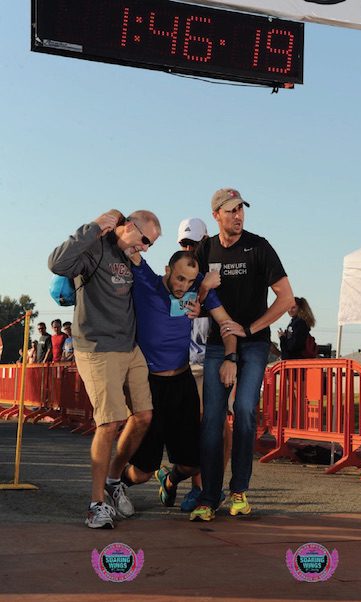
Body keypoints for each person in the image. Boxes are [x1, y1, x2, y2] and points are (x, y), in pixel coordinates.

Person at [48, 209, 160, 529]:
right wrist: (94, 227)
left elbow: (155, 289)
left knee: (143, 416)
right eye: (144, 240)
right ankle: (95, 504)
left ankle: (113, 481)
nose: (146, 247)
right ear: (129, 227)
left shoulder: (130, 257)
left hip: (129, 346)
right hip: (98, 347)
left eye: (151, 244)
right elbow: (57, 263)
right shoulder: (95, 247)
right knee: (109, 423)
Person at [191, 188, 295, 522]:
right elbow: (183, 305)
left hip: (253, 343)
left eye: (241, 210)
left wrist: (249, 329)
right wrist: (205, 287)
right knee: (211, 421)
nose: (238, 215)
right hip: (215, 344)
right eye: (231, 210)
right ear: (216, 215)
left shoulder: (259, 247)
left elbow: (285, 298)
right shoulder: (204, 249)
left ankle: (239, 490)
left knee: (247, 409)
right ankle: (208, 496)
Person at [121, 250, 237, 511]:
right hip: (149, 384)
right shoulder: (147, 281)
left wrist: (231, 355)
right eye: (180, 279)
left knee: (193, 463)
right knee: (141, 472)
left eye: (190, 281)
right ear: (167, 270)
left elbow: (225, 322)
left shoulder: (198, 291)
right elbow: (130, 247)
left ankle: (170, 478)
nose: (184, 286)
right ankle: (115, 483)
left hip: (181, 383)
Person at [177, 217, 230, 512]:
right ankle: (197, 487)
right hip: (188, 363)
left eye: (193, 243)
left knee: (221, 428)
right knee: (200, 428)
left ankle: (210, 486)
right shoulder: (177, 275)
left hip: (216, 357)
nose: (188, 248)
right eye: (184, 243)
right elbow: (177, 312)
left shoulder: (218, 273)